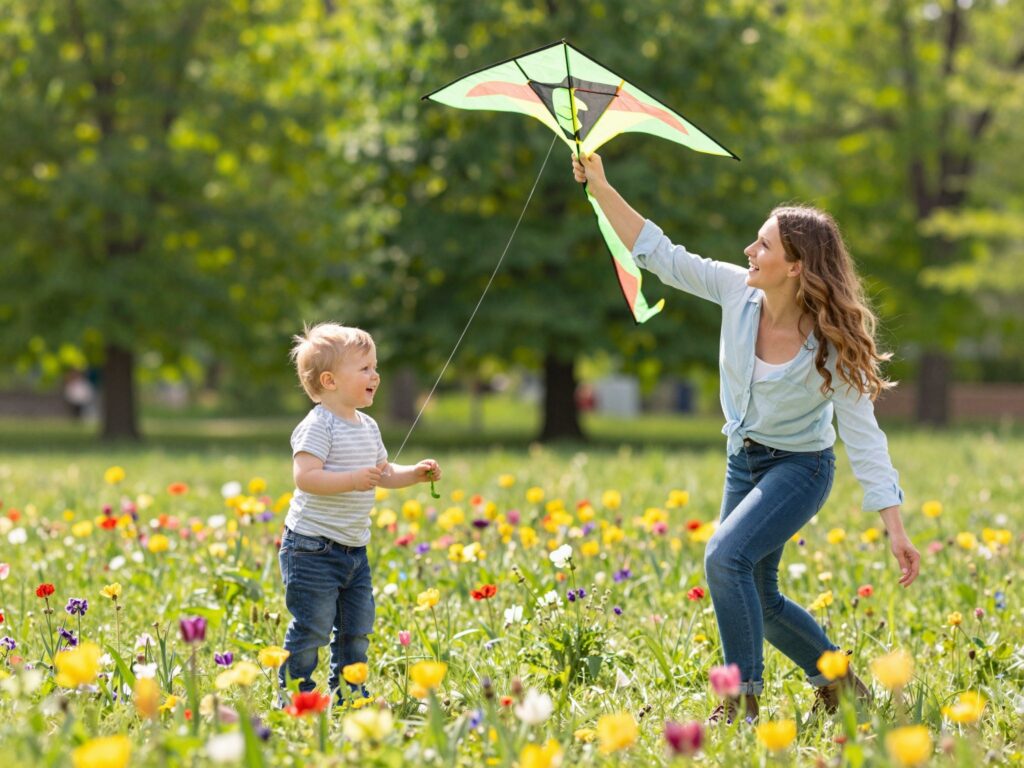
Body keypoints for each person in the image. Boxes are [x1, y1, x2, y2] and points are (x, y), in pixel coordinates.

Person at [571, 153, 920, 722]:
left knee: (724, 557)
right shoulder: (738, 294)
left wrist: (896, 528)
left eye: (763, 246)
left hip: (801, 469)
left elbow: (865, 438)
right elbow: (660, 254)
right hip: (744, 462)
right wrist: (603, 187)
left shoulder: (831, 344)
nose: (748, 252)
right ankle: (840, 684)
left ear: (796, 267)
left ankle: (740, 701)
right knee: (758, 594)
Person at [280, 322, 441, 703]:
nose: (376, 375)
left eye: (375, 366)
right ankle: (294, 693)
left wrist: (413, 474)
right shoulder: (318, 426)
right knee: (313, 628)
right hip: (310, 549)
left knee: (356, 628)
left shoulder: (367, 426)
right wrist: (352, 479)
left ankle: (351, 691)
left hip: (354, 550)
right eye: (365, 368)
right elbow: (306, 477)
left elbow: (382, 472)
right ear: (330, 380)